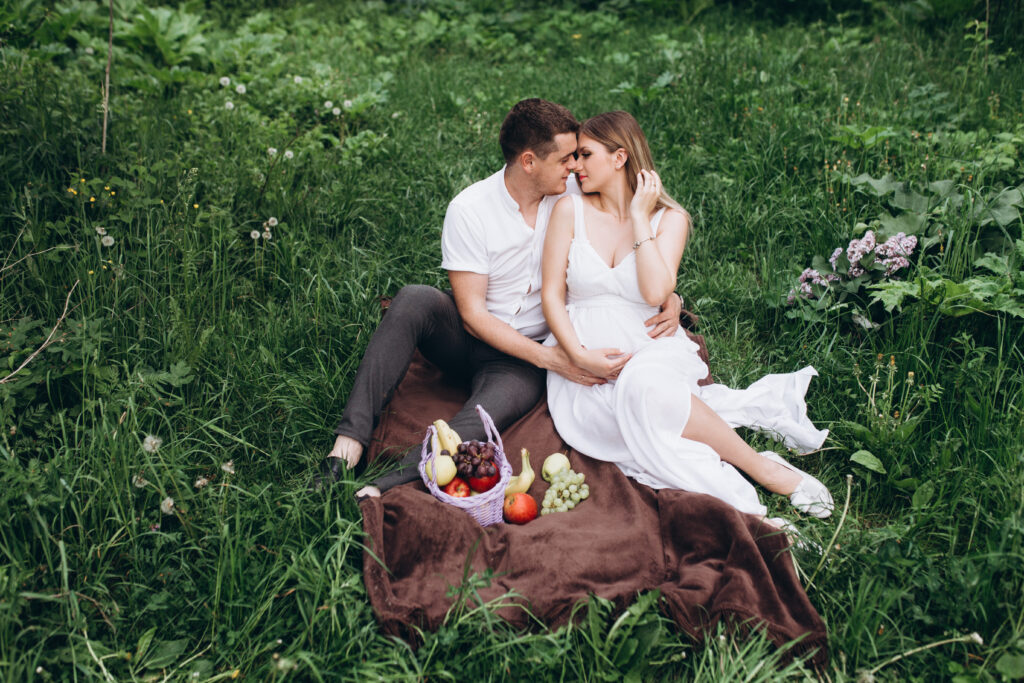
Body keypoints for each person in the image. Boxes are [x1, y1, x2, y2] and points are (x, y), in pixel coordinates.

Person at [315, 100, 684, 496]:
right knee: (414, 298)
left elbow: (625, 240)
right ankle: (346, 447)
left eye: (579, 156)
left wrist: (672, 297)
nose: (575, 166)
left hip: (520, 359)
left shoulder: (574, 193)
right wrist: (555, 359)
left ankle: (389, 483)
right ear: (529, 162)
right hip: (469, 336)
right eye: (565, 158)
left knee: (479, 419)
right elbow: (472, 315)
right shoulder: (471, 209)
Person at [541, 110, 833, 520]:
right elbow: (552, 295)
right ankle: (747, 468)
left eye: (586, 155)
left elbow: (655, 291)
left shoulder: (668, 219)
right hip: (584, 361)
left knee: (645, 387)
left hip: (649, 348)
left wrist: (640, 217)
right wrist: (576, 355)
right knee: (629, 417)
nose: (575, 166)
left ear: (620, 158)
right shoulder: (569, 211)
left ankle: (764, 470)